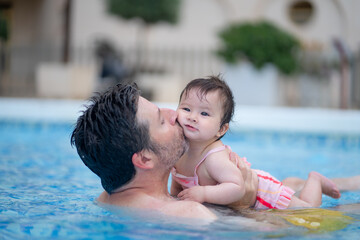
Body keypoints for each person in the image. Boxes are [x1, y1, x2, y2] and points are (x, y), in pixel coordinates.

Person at [70, 83, 257, 220]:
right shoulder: (191, 215)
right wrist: (244, 206)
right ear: (144, 158)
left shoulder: (103, 201)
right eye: (161, 120)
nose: (174, 114)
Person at [171, 76, 342, 211]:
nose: (192, 117)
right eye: (186, 109)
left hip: (265, 194)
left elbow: (237, 187)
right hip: (255, 189)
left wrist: (204, 193)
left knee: (309, 211)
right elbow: (179, 180)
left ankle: (315, 180)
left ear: (221, 129)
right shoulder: (178, 151)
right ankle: (293, 182)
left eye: (204, 114)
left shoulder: (213, 158)